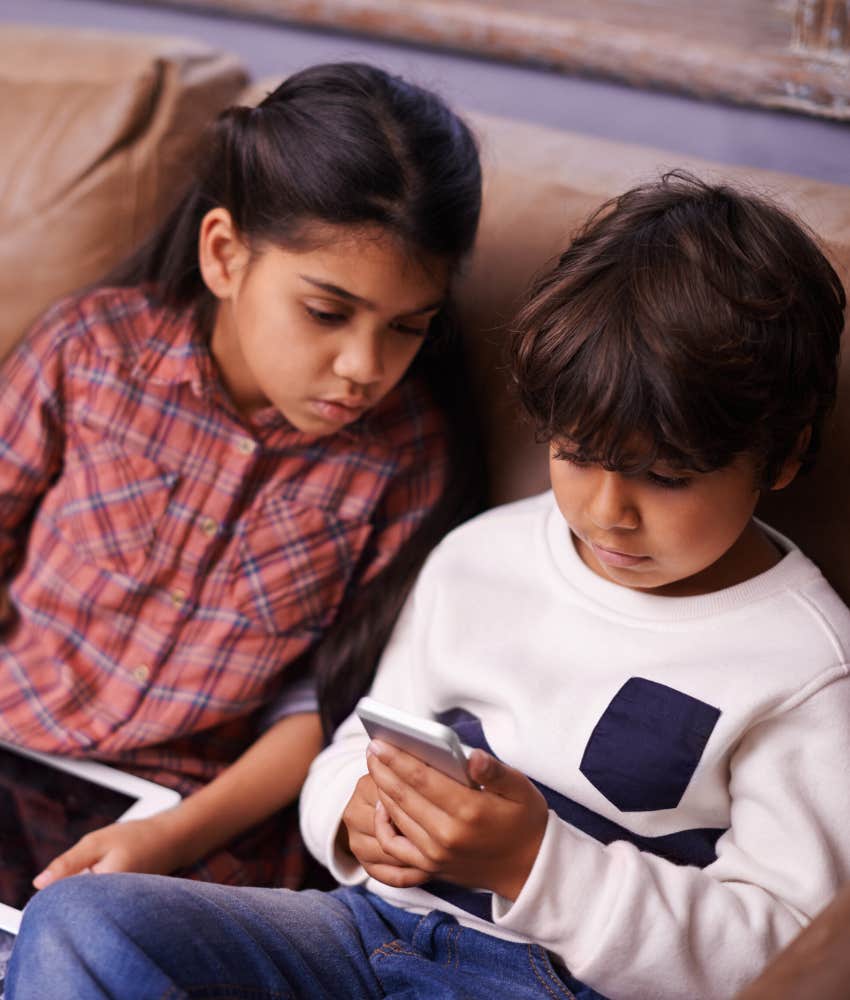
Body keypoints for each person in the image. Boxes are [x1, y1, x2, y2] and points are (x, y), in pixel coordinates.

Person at [8, 171, 850, 1000]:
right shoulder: (481, 557)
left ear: (779, 455)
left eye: (664, 478)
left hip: (561, 984)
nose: (605, 511)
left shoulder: (803, 665)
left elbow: (783, 953)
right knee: (85, 922)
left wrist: (530, 864)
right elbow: (353, 748)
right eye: (578, 454)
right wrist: (358, 814)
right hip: (369, 934)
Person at [0, 61, 483, 892]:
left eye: (407, 328)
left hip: (193, 828)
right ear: (225, 255)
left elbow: (324, 707)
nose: (365, 368)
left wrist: (169, 839)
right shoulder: (92, 353)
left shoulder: (404, 460)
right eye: (327, 313)